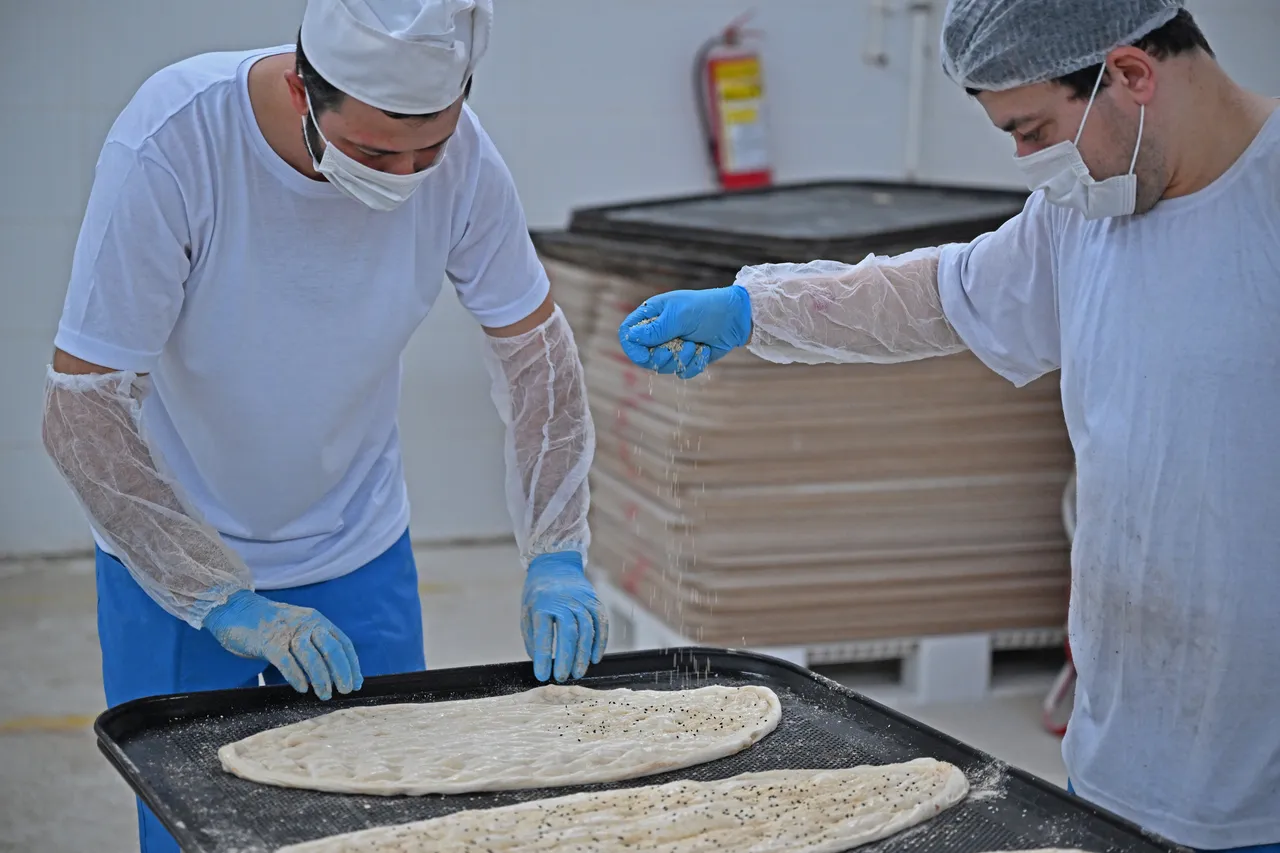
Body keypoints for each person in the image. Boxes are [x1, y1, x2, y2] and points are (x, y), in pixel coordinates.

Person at [618, 1, 1278, 851]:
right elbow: (934, 297)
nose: (1029, 161)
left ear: (1131, 74)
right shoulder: (1084, 220)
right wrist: (756, 309)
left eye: (1035, 128)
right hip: (1122, 760)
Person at [43, 0, 606, 849]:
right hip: (177, 565)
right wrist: (218, 597)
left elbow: (537, 360)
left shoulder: (465, 167)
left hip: (356, 542)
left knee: (390, 823)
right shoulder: (177, 142)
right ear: (303, 88)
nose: (408, 175)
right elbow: (82, 410)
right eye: (377, 151)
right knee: (198, 826)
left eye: (432, 147)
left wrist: (556, 549)